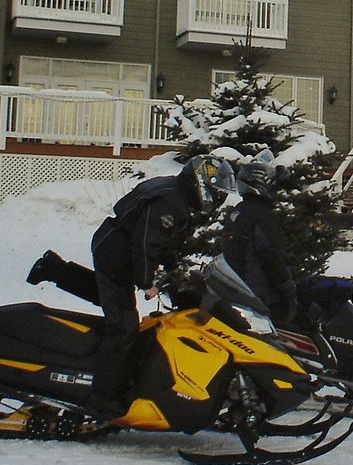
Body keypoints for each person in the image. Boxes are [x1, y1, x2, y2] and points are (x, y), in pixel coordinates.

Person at [26, 156, 219, 420]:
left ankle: (54, 268)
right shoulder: (171, 201)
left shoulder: (174, 192)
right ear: (199, 182)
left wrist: (173, 269)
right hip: (117, 251)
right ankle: (104, 397)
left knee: (110, 297)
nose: (214, 195)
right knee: (123, 326)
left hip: (113, 244)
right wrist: (147, 282)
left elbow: (164, 240)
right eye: (213, 188)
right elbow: (145, 243)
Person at [217, 152, 299, 326]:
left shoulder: (237, 212)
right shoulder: (262, 216)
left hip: (240, 290)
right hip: (262, 297)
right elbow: (270, 256)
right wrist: (288, 290)